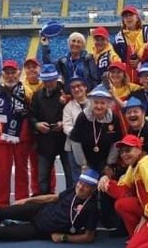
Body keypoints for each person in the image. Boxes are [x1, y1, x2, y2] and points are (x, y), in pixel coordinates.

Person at [0, 170, 100, 244]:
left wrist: (65, 238)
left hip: (42, 230)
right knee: (1, 212)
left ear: (93, 189)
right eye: (80, 183)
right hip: (39, 210)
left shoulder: (91, 208)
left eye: (86, 186)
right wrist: (27, 200)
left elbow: (89, 237)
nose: (80, 187)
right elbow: (51, 198)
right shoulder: (73, 190)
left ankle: (10, 225)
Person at [0, 59, 33, 209]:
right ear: (3, 74)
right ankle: (1, 205)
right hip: (1, 140)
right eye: (7, 73)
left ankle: (21, 203)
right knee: (3, 174)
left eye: (13, 72)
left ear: (18, 73)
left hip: (22, 139)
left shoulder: (26, 91)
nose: (10, 76)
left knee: (22, 173)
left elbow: (33, 113)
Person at [70, 84, 122, 228]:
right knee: (84, 188)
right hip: (87, 160)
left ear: (108, 104)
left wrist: (110, 164)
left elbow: (116, 143)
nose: (99, 106)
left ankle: (107, 219)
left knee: (105, 189)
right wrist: (83, 165)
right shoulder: (83, 117)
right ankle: (80, 217)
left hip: (106, 160)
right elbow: (75, 141)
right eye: (96, 102)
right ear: (91, 102)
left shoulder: (113, 119)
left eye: (102, 103)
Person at [29, 64, 69, 194]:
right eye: (45, 80)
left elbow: (77, 111)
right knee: (42, 179)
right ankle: (43, 207)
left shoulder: (67, 92)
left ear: (56, 78)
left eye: (51, 80)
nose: (48, 83)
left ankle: (70, 205)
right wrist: (37, 125)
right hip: (45, 140)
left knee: (71, 175)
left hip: (64, 140)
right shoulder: (37, 95)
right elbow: (31, 115)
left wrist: (64, 123)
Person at [22, 57, 57, 196]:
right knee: (32, 163)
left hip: (46, 132)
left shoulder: (48, 85)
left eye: (34, 67)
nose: (31, 69)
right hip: (28, 130)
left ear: (39, 69)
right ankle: (36, 191)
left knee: (48, 163)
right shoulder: (20, 87)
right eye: (28, 67)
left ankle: (51, 191)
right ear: (24, 70)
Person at [113, 5, 148, 84]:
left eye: (131, 15)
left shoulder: (146, 33)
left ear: (137, 18)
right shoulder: (119, 37)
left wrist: (140, 59)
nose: (128, 18)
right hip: (126, 82)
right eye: (125, 16)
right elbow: (118, 59)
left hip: (145, 80)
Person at [62, 76, 89, 188]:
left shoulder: (94, 103)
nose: (76, 89)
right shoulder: (68, 107)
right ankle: (75, 203)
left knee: (91, 177)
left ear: (85, 87)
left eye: (79, 86)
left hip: (91, 146)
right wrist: (80, 135)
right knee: (76, 179)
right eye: (73, 87)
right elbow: (66, 127)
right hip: (73, 148)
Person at [106, 61, 141, 134]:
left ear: (124, 74)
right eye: (112, 72)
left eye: (118, 72)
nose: (115, 75)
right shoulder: (103, 89)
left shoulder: (132, 88)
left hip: (128, 124)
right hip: (110, 125)